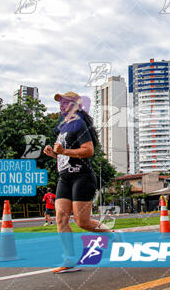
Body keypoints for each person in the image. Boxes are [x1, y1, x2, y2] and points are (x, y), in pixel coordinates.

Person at [43, 91, 115, 274]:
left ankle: (113, 237)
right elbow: (63, 155)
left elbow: (88, 150)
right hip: (64, 177)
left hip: (82, 177)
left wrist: (65, 151)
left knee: (82, 222)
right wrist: (54, 153)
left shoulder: (79, 124)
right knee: (60, 218)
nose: (61, 105)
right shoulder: (63, 127)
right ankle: (70, 259)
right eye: (60, 102)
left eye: (65, 102)